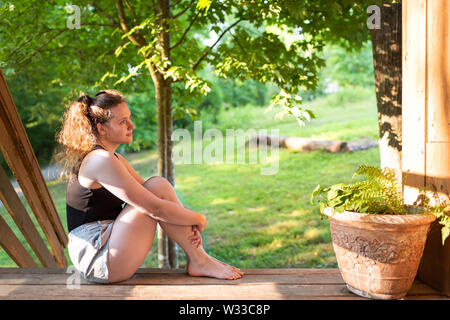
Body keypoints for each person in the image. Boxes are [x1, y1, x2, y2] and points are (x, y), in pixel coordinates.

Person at [55, 89, 244, 284]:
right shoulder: (100, 160)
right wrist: (198, 218)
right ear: (101, 128)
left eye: (129, 118)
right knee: (156, 189)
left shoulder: (113, 158)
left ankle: (199, 259)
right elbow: (155, 207)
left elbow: (158, 194)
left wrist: (186, 219)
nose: (132, 125)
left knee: (158, 185)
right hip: (98, 259)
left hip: (109, 244)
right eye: (122, 122)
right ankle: (200, 260)